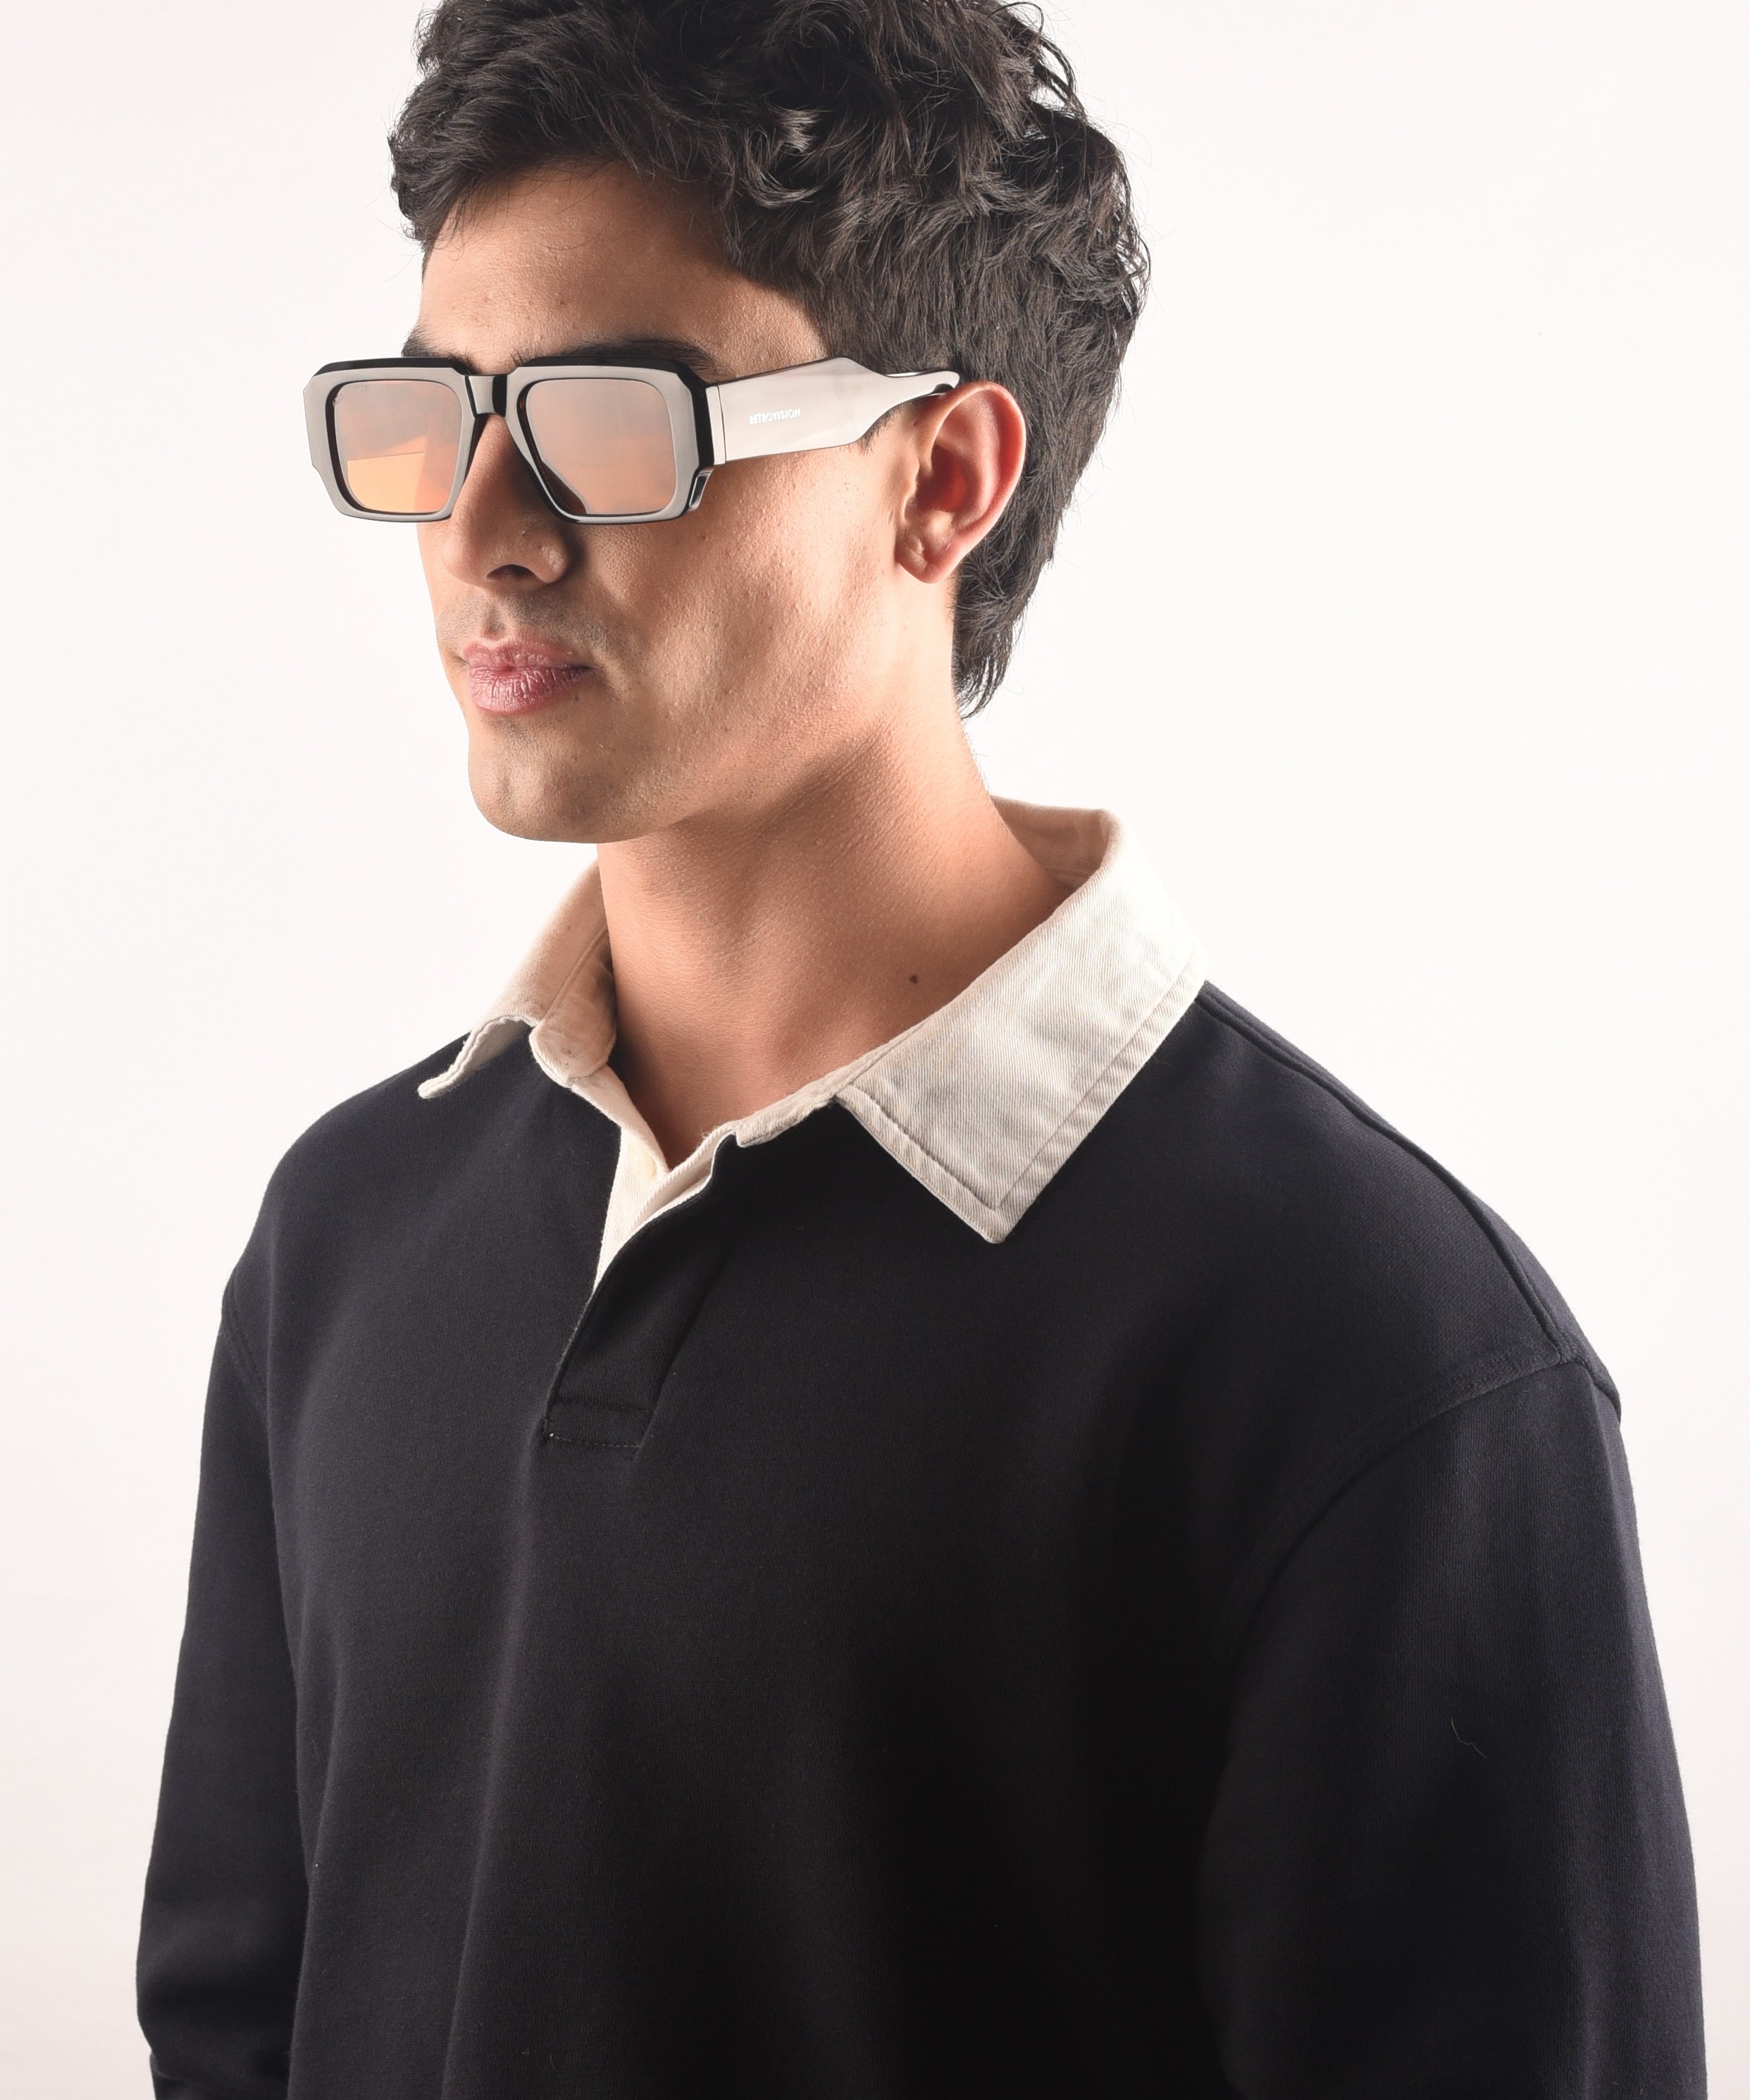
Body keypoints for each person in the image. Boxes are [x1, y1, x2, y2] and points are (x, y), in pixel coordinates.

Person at [137, 2, 1705, 2094]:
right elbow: (235, 2028)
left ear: (942, 478)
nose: (481, 527)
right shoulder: (350, 1231)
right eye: (431, 411)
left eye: (612, 418)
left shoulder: (1371, 1346)